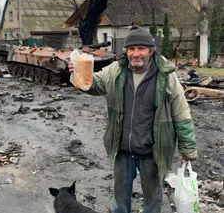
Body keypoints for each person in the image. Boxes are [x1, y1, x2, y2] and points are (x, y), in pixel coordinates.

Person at [68, 26, 198, 213]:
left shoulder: (166, 76)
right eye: (131, 49)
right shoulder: (116, 70)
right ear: (126, 51)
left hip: (152, 153)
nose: (136, 53)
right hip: (123, 151)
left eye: (141, 48)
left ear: (151, 51)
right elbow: (95, 84)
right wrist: (78, 73)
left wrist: (188, 148)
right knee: (120, 203)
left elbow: (181, 113)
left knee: (152, 203)